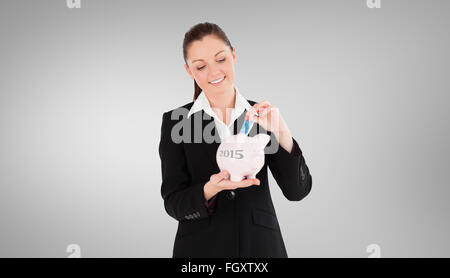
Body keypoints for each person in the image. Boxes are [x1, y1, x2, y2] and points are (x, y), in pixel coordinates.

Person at [159, 22, 312, 258]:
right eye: (200, 66)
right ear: (190, 71)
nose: (214, 73)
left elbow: (297, 191)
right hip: (201, 251)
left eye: (220, 60)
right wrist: (211, 189)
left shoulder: (262, 115)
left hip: (260, 248)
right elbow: (174, 203)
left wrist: (282, 132)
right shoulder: (176, 121)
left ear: (233, 55)